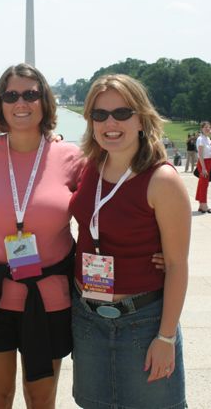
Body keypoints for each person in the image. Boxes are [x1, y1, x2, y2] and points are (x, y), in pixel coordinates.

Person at [0, 63, 83, 409]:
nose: (21, 102)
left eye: (31, 94)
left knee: (40, 400)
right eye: (11, 95)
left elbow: (102, 211)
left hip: (48, 298)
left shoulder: (72, 157)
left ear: (45, 101)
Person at [69, 74, 190, 409]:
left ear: (141, 118)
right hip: (88, 317)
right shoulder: (89, 166)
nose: (111, 123)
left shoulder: (161, 180)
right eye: (100, 114)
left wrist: (165, 337)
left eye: (122, 113)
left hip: (143, 321)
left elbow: (178, 265)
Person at [195, 121, 211, 213]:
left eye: (209, 127)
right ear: (202, 128)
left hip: (208, 162)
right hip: (203, 163)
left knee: (202, 184)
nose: (208, 129)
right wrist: (204, 168)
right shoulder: (201, 139)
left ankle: (201, 205)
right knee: (204, 184)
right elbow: (200, 155)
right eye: (206, 127)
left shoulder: (207, 139)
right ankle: (204, 205)